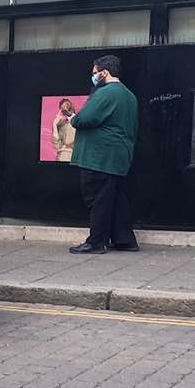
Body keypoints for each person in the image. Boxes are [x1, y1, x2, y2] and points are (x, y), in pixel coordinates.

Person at [69, 54, 139, 255]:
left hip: (99, 157)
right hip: (118, 156)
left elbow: (85, 118)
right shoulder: (129, 95)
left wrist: (74, 118)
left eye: (95, 73)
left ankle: (97, 242)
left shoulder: (106, 92)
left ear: (104, 72)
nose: (93, 77)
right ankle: (124, 240)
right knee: (114, 199)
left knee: (97, 199)